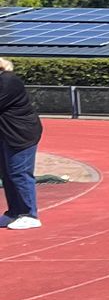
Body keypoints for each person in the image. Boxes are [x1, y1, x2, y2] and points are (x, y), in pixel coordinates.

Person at [0, 56, 42, 231]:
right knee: (7, 174)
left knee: (20, 173)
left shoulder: (9, 81)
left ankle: (30, 215)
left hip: (21, 134)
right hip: (6, 134)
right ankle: (14, 212)